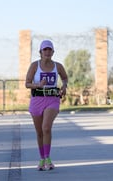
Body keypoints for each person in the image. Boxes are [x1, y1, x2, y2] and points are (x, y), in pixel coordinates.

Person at [25, 40, 68, 171]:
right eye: (45, 50)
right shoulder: (34, 66)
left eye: (50, 50)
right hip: (37, 99)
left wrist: (64, 86)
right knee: (39, 132)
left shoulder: (58, 66)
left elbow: (65, 78)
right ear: (40, 52)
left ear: (53, 52)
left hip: (52, 99)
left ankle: (48, 159)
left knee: (46, 128)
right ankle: (42, 158)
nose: (47, 52)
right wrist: (37, 84)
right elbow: (27, 83)